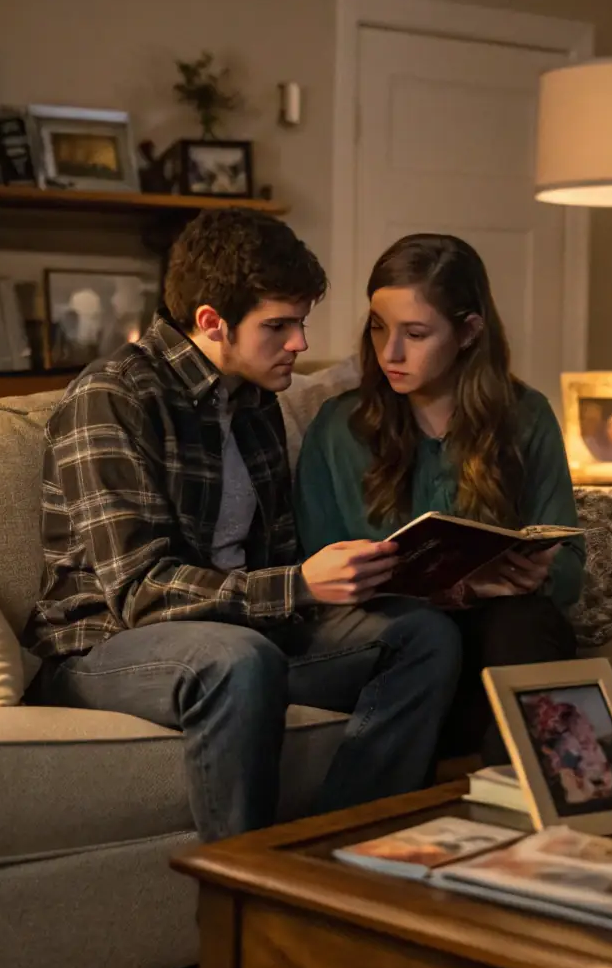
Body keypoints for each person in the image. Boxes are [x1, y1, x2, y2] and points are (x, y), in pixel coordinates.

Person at [24, 209, 464, 842]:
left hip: (241, 633)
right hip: (102, 648)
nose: (300, 344)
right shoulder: (114, 396)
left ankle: (341, 848)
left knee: (423, 635)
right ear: (212, 322)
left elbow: (273, 558)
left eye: (301, 322)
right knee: (239, 659)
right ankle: (246, 881)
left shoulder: (255, 403)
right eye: (278, 326)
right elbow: (140, 592)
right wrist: (301, 585)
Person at [294, 233, 584, 764]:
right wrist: (434, 591)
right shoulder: (340, 427)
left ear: (469, 331)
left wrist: (538, 573)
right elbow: (321, 564)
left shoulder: (525, 416)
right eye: (378, 327)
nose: (389, 352)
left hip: (500, 628)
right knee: (432, 639)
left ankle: (518, 801)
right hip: (397, 637)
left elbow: (568, 560)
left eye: (416, 333)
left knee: (524, 624)